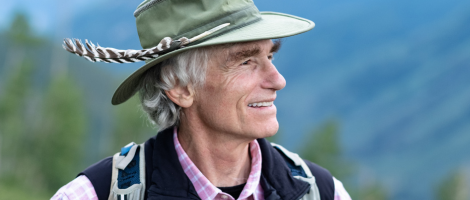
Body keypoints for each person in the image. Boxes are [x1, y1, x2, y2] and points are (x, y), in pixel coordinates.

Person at [52, 0, 351, 199]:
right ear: (180, 87)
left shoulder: (322, 192)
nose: (278, 80)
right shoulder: (96, 195)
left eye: (270, 55)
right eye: (246, 61)